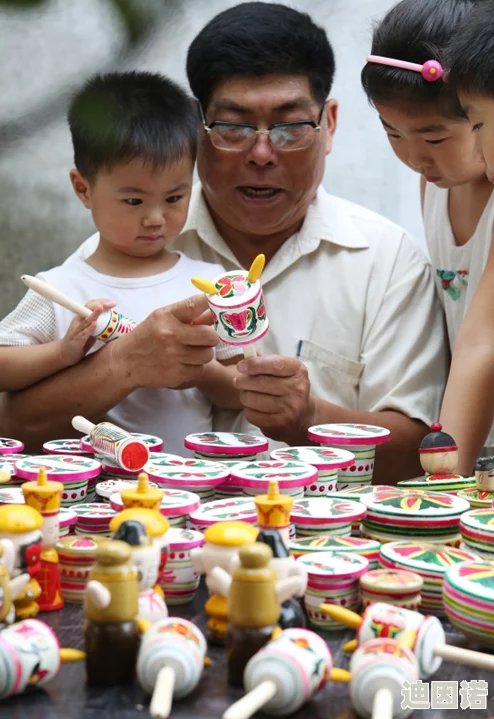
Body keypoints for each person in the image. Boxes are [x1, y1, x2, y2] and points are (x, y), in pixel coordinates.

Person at [75, 2, 448, 483]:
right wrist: (125, 364)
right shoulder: (124, 250)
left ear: (329, 124)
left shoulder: (388, 262)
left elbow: (426, 452)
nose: (262, 153)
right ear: (195, 128)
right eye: (233, 127)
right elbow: (21, 425)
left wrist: (310, 416)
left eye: (291, 127)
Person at [0, 71, 240, 454]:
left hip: (189, 489)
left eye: (175, 198)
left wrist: (200, 370)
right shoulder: (60, 289)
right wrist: (62, 353)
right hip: (87, 495)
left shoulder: (209, 284)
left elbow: (238, 392)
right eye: (134, 201)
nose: (156, 218)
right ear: (83, 189)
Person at [361, 0, 494, 474]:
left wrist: (443, 481)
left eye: (435, 139)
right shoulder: (434, 188)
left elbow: (484, 340)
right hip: (468, 440)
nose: (416, 158)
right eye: (393, 134)